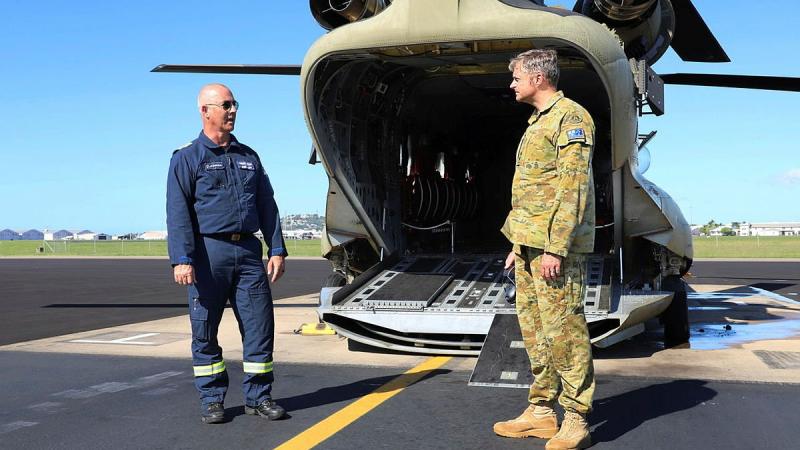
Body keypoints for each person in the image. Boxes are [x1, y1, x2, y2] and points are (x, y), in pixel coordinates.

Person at [167, 83, 288, 424]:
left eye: (234, 104)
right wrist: (182, 258)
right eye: (225, 105)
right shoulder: (186, 158)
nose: (233, 110)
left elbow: (267, 204)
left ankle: (259, 397)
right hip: (208, 254)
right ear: (205, 111)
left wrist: (276, 249)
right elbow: (178, 212)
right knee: (205, 330)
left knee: (260, 327)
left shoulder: (248, 157)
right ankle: (211, 399)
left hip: (248, 253)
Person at [493, 49, 596, 450]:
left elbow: (573, 189)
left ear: (538, 79)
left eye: (517, 77)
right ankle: (540, 413)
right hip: (529, 243)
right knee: (536, 333)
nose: (512, 84)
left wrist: (556, 247)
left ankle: (575, 417)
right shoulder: (538, 121)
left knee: (565, 332)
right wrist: (518, 243)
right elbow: (534, 191)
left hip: (555, 248)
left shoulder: (571, 118)